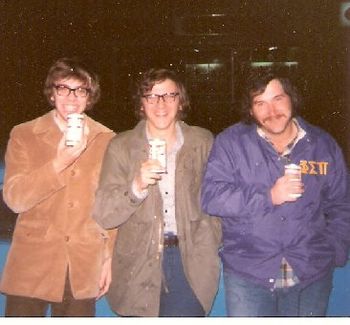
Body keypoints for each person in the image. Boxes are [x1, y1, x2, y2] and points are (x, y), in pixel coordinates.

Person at [201, 69, 350, 317]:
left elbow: (341, 204)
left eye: (278, 99)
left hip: (310, 274)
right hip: (249, 275)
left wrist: (333, 251)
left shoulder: (323, 145)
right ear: (250, 110)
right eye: (260, 103)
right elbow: (212, 197)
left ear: (291, 98)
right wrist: (268, 196)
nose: (271, 111)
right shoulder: (230, 143)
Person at [92, 68, 221, 317]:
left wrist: (210, 240)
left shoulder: (202, 141)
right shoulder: (121, 146)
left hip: (190, 262)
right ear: (141, 103)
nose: (160, 103)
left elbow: (218, 198)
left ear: (180, 100)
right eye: (151, 96)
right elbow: (104, 214)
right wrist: (136, 186)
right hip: (137, 262)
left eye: (169, 95)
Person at [0, 57, 116, 316]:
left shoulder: (106, 139)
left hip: (82, 265)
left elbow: (111, 204)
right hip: (31, 265)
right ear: (52, 93)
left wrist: (109, 257)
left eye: (80, 90)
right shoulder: (24, 134)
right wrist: (59, 162)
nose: (72, 97)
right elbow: (15, 198)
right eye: (63, 88)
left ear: (90, 96)